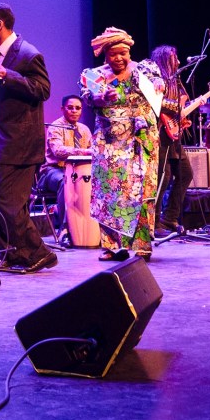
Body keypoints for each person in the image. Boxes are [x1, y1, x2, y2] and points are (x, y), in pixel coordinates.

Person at [0, 3, 57, 274]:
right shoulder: (0, 55)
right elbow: (12, 105)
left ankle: (38, 254)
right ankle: (12, 254)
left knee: (9, 203)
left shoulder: (28, 53)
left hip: (20, 145)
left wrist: (7, 74)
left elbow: (43, 90)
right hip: (1, 141)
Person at [82, 28, 165, 261]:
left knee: (142, 193)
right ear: (105, 55)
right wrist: (100, 98)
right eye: (113, 54)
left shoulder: (144, 69)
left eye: (123, 53)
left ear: (129, 52)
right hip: (109, 142)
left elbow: (158, 84)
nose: (118, 58)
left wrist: (159, 83)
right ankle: (112, 246)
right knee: (110, 193)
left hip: (141, 139)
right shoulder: (94, 75)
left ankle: (142, 245)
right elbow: (89, 97)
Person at [152, 45, 196, 235]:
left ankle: (169, 218)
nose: (178, 61)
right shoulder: (156, 79)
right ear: (164, 60)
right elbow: (157, 103)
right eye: (173, 58)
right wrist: (177, 111)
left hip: (174, 135)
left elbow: (182, 102)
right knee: (163, 177)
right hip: (160, 133)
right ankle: (153, 223)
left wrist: (182, 118)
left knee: (185, 173)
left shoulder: (175, 80)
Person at [40, 95, 93, 229]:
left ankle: (89, 226)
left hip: (78, 171)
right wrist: (84, 151)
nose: (74, 111)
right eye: (70, 108)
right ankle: (66, 227)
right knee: (66, 180)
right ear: (62, 109)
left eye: (77, 108)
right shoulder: (55, 127)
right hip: (53, 170)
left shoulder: (84, 129)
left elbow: (94, 151)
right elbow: (58, 151)